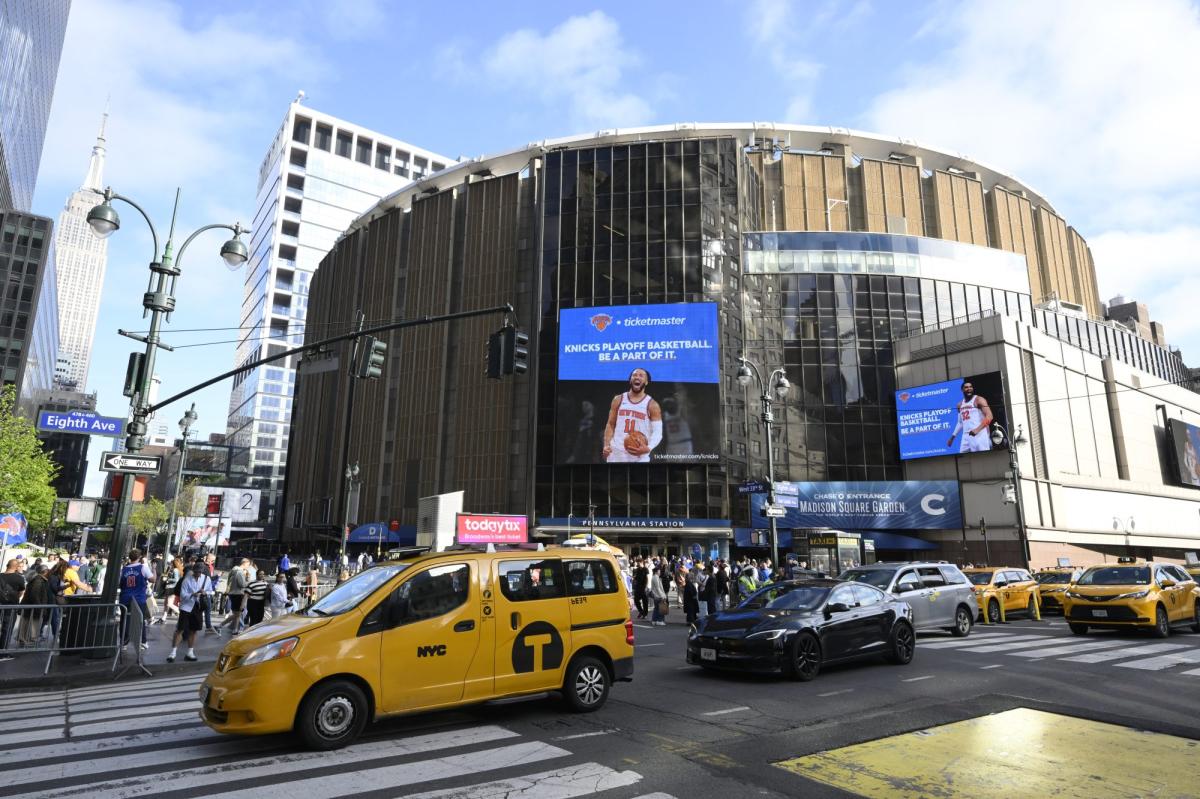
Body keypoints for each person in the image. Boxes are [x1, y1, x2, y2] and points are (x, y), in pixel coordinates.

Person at [601, 367, 663, 463]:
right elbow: (610, 424)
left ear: (646, 382)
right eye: (634, 375)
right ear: (630, 380)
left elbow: (658, 432)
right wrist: (606, 445)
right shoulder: (618, 399)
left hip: (639, 454)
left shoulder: (652, 404)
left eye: (641, 375)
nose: (637, 377)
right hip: (617, 452)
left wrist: (648, 448)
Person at [168, 563, 211, 662]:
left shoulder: (206, 579)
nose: (198, 574)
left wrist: (205, 593)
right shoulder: (187, 580)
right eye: (196, 572)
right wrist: (193, 594)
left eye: (200, 572)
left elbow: (210, 591)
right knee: (180, 629)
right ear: (193, 570)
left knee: (194, 630)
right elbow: (182, 596)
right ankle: (173, 652)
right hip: (186, 607)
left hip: (198, 607)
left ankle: (190, 652)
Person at [118, 549, 154, 651]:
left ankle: (124, 643)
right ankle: (142, 642)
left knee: (124, 620)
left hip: (125, 597)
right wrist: (154, 570)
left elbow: (120, 583)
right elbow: (153, 579)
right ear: (139, 557)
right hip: (139, 598)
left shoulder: (124, 569)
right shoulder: (143, 568)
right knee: (139, 620)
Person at [947, 380, 994, 453]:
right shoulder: (959, 405)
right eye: (966, 387)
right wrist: (952, 437)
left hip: (979, 435)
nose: (969, 388)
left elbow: (989, 416)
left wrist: (977, 430)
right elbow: (960, 423)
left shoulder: (978, 400)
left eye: (970, 387)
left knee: (982, 459)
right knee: (962, 458)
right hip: (966, 436)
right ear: (962, 390)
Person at [0, 558, 26, 659]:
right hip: (11, 606)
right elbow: (21, 592)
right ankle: (3, 653)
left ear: (7, 565)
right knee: (7, 628)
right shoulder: (19, 578)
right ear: (16, 567)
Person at [17, 564, 50, 646]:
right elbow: (34, 595)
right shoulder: (38, 581)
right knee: (31, 624)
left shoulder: (37, 579)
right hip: (34, 607)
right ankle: (28, 640)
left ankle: (25, 639)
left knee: (27, 623)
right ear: (45, 572)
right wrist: (39, 607)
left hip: (31, 606)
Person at [220, 559, 250, 636]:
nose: (248, 566)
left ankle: (234, 629)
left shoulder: (234, 570)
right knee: (237, 614)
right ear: (244, 563)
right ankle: (221, 625)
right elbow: (242, 584)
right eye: (248, 564)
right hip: (238, 594)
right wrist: (248, 580)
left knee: (237, 614)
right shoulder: (239, 572)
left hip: (233, 593)